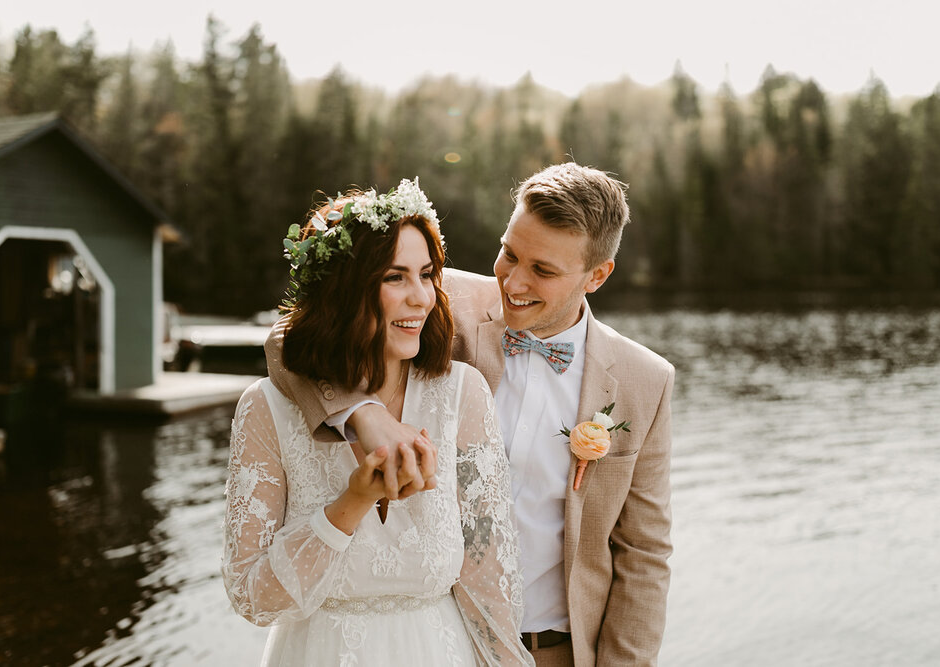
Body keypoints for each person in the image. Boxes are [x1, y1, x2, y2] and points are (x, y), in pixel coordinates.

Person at [265, 163, 675, 666]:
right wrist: (362, 413)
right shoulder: (438, 300)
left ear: (597, 275)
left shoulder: (645, 380)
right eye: (509, 253)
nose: (514, 280)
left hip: (556, 651)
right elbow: (288, 339)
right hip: (439, 639)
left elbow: (644, 553)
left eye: (542, 270)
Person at [221, 178, 534, 666]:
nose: (422, 297)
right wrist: (352, 502)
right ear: (344, 290)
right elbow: (251, 598)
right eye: (395, 277)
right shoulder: (266, 408)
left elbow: (488, 578)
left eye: (427, 274)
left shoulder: (462, 394)